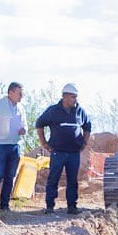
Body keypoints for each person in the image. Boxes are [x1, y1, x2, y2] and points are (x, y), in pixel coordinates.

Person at [35, 82, 92, 215]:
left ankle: (72, 206)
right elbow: (39, 124)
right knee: (53, 178)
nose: (75, 99)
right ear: (64, 97)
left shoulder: (80, 111)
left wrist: (84, 143)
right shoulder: (53, 111)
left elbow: (87, 127)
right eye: (72, 97)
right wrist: (44, 143)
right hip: (57, 152)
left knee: (72, 180)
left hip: (73, 153)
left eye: (76, 97)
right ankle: (49, 206)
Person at [0, 81, 27, 212]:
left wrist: (23, 130)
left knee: (10, 177)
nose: (22, 96)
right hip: (0, 146)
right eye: (20, 93)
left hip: (15, 146)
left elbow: (25, 125)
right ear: (11, 92)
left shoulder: (21, 108)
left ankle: (4, 206)